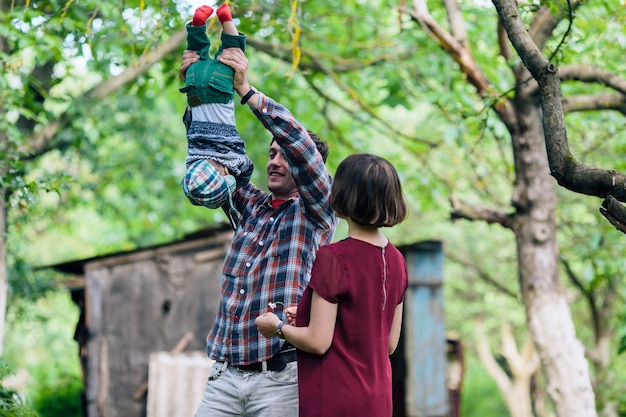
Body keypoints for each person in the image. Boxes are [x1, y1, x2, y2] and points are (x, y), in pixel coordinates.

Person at [180, 45, 338, 416]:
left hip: (280, 381)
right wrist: (198, 90)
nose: (275, 161)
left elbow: (299, 144)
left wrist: (247, 92)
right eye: (271, 154)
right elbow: (212, 154)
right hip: (224, 378)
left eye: (284, 155)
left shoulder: (318, 212)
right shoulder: (250, 207)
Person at [256, 153, 409, 417]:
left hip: (335, 399)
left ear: (344, 194)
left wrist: (277, 327)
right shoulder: (397, 260)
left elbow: (317, 341)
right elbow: (388, 343)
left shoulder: (334, 257)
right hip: (378, 401)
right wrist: (305, 315)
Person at [180, 3, 253, 227]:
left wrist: (231, 174)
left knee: (232, 52)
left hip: (221, 92)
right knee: (197, 53)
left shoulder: (234, 160)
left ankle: (226, 18)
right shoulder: (192, 158)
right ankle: (197, 24)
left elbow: (245, 171)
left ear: (222, 172)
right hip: (194, 84)